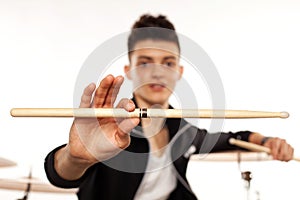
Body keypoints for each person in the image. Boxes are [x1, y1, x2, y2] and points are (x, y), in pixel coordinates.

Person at [44, 14, 294, 200]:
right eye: (145, 62)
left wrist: (268, 141)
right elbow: (61, 175)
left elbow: (232, 140)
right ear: (129, 71)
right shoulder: (113, 124)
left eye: (168, 62)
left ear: (179, 71)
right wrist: (75, 157)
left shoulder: (182, 129)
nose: (157, 72)